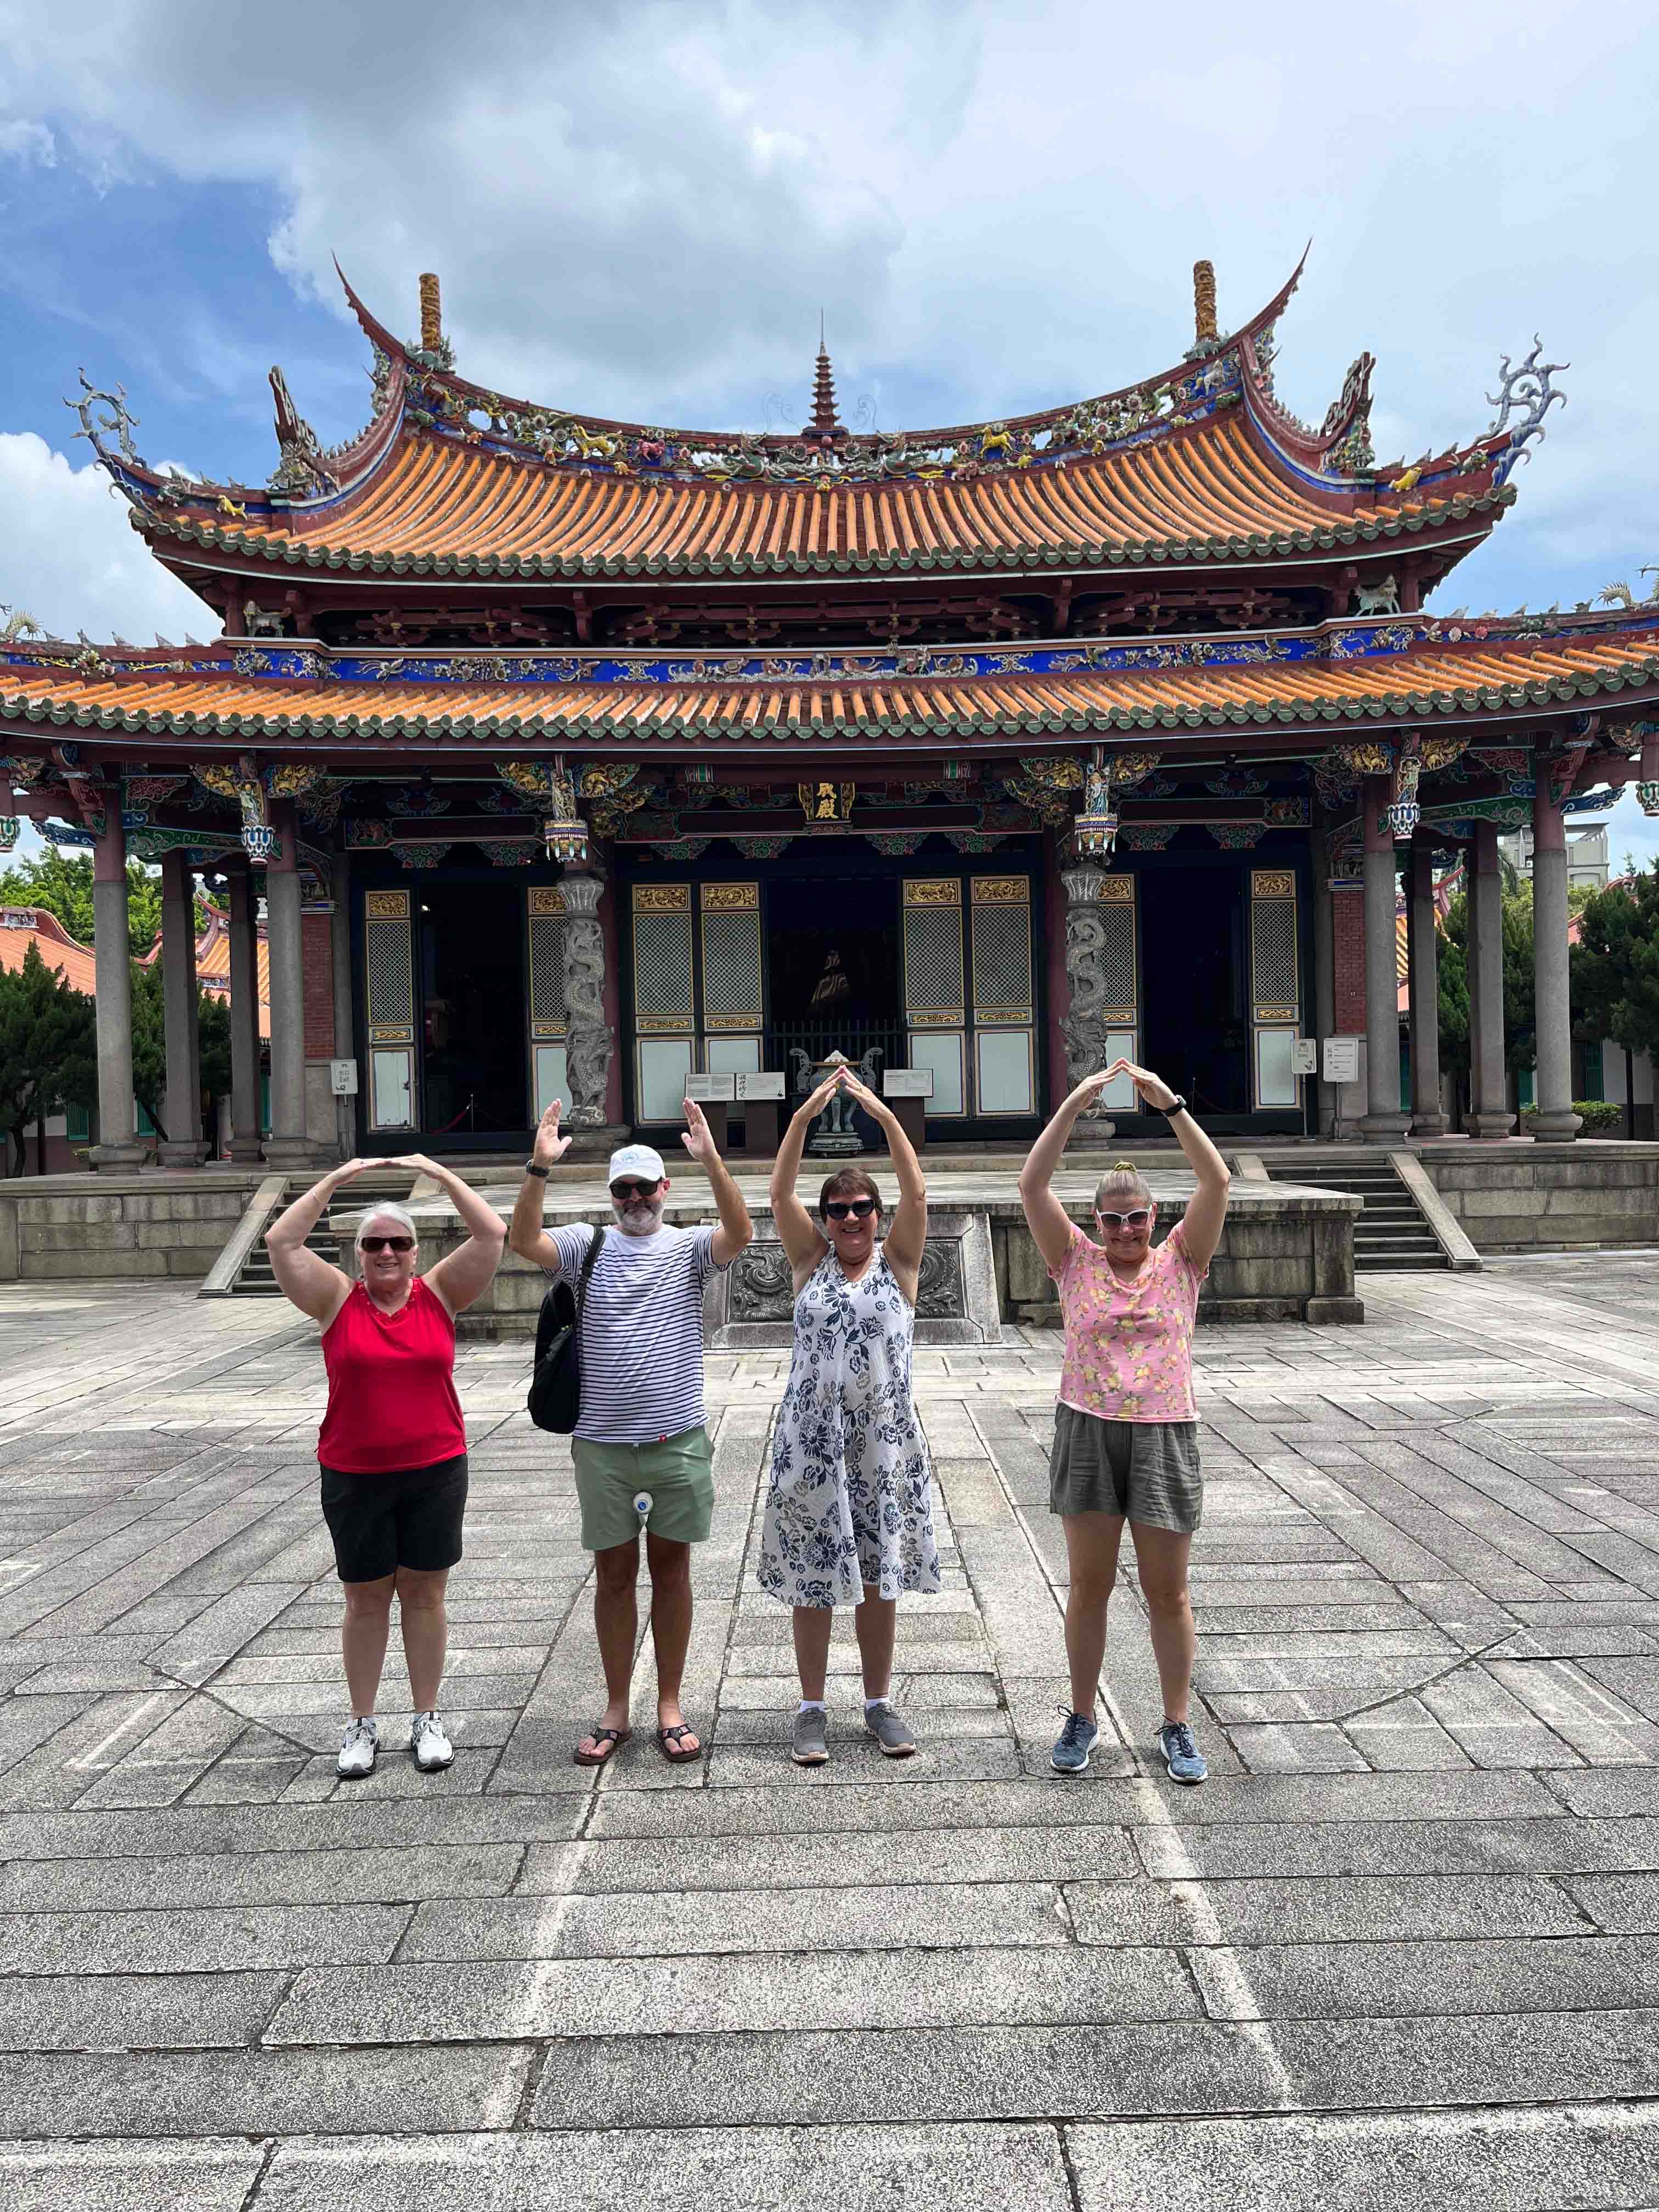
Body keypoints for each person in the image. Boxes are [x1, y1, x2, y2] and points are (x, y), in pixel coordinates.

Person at [509, 1096, 752, 1766]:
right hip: (603, 1445)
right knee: (613, 1574)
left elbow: (741, 1234)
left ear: (665, 1190)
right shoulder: (587, 1244)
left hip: (675, 1438)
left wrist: (713, 1162)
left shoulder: (688, 1248)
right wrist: (538, 1167)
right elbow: (523, 1242)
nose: (636, 1198)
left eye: (646, 1187)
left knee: (672, 1572)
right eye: (625, 1189)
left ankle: (669, 1703)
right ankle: (618, 1705)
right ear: (612, 1193)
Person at [1017, 1060, 1231, 1785]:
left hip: (1166, 1430)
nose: (1126, 1229)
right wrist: (1075, 1103)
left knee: (1168, 1592)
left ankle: (1175, 1721)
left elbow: (1218, 1182)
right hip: (1087, 1429)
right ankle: (1082, 1714)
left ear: (1155, 1218)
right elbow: (1032, 1186)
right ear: (1096, 1223)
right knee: (1089, 1585)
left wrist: (1169, 1105)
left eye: (1138, 1217)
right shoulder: (1074, 1261)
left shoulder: (1183, 1261)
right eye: (1112, 1219)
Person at [264, 1155, 507, 1780]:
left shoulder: (441, 1295)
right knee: (366, 1599)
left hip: (435, 1468)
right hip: (354, 1473)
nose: (387, 1252)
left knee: (426, 1596)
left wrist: (441, 1173)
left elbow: (491, 1234)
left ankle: (427, 1717)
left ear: (417, 1252)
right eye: (374, 1244)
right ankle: (362, 1722)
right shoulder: (335, 1299)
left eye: (400, 1242)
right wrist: (337, 1180)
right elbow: (281, 1239)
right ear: (358, 1254)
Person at [758, 1064, 938, 1764]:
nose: (854, 1218)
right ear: (825, 1222)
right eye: (839, 1211)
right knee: (814, 1569)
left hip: (883, 1443)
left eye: (864, 1207)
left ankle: (877, 1701)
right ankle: (810, 1707)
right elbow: (777, 1192)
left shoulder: (901, 1264)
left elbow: (917, 1189)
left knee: (876, 1571)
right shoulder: (810, 1264)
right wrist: (802, 1119)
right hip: (813, 1439)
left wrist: (882, 1115)